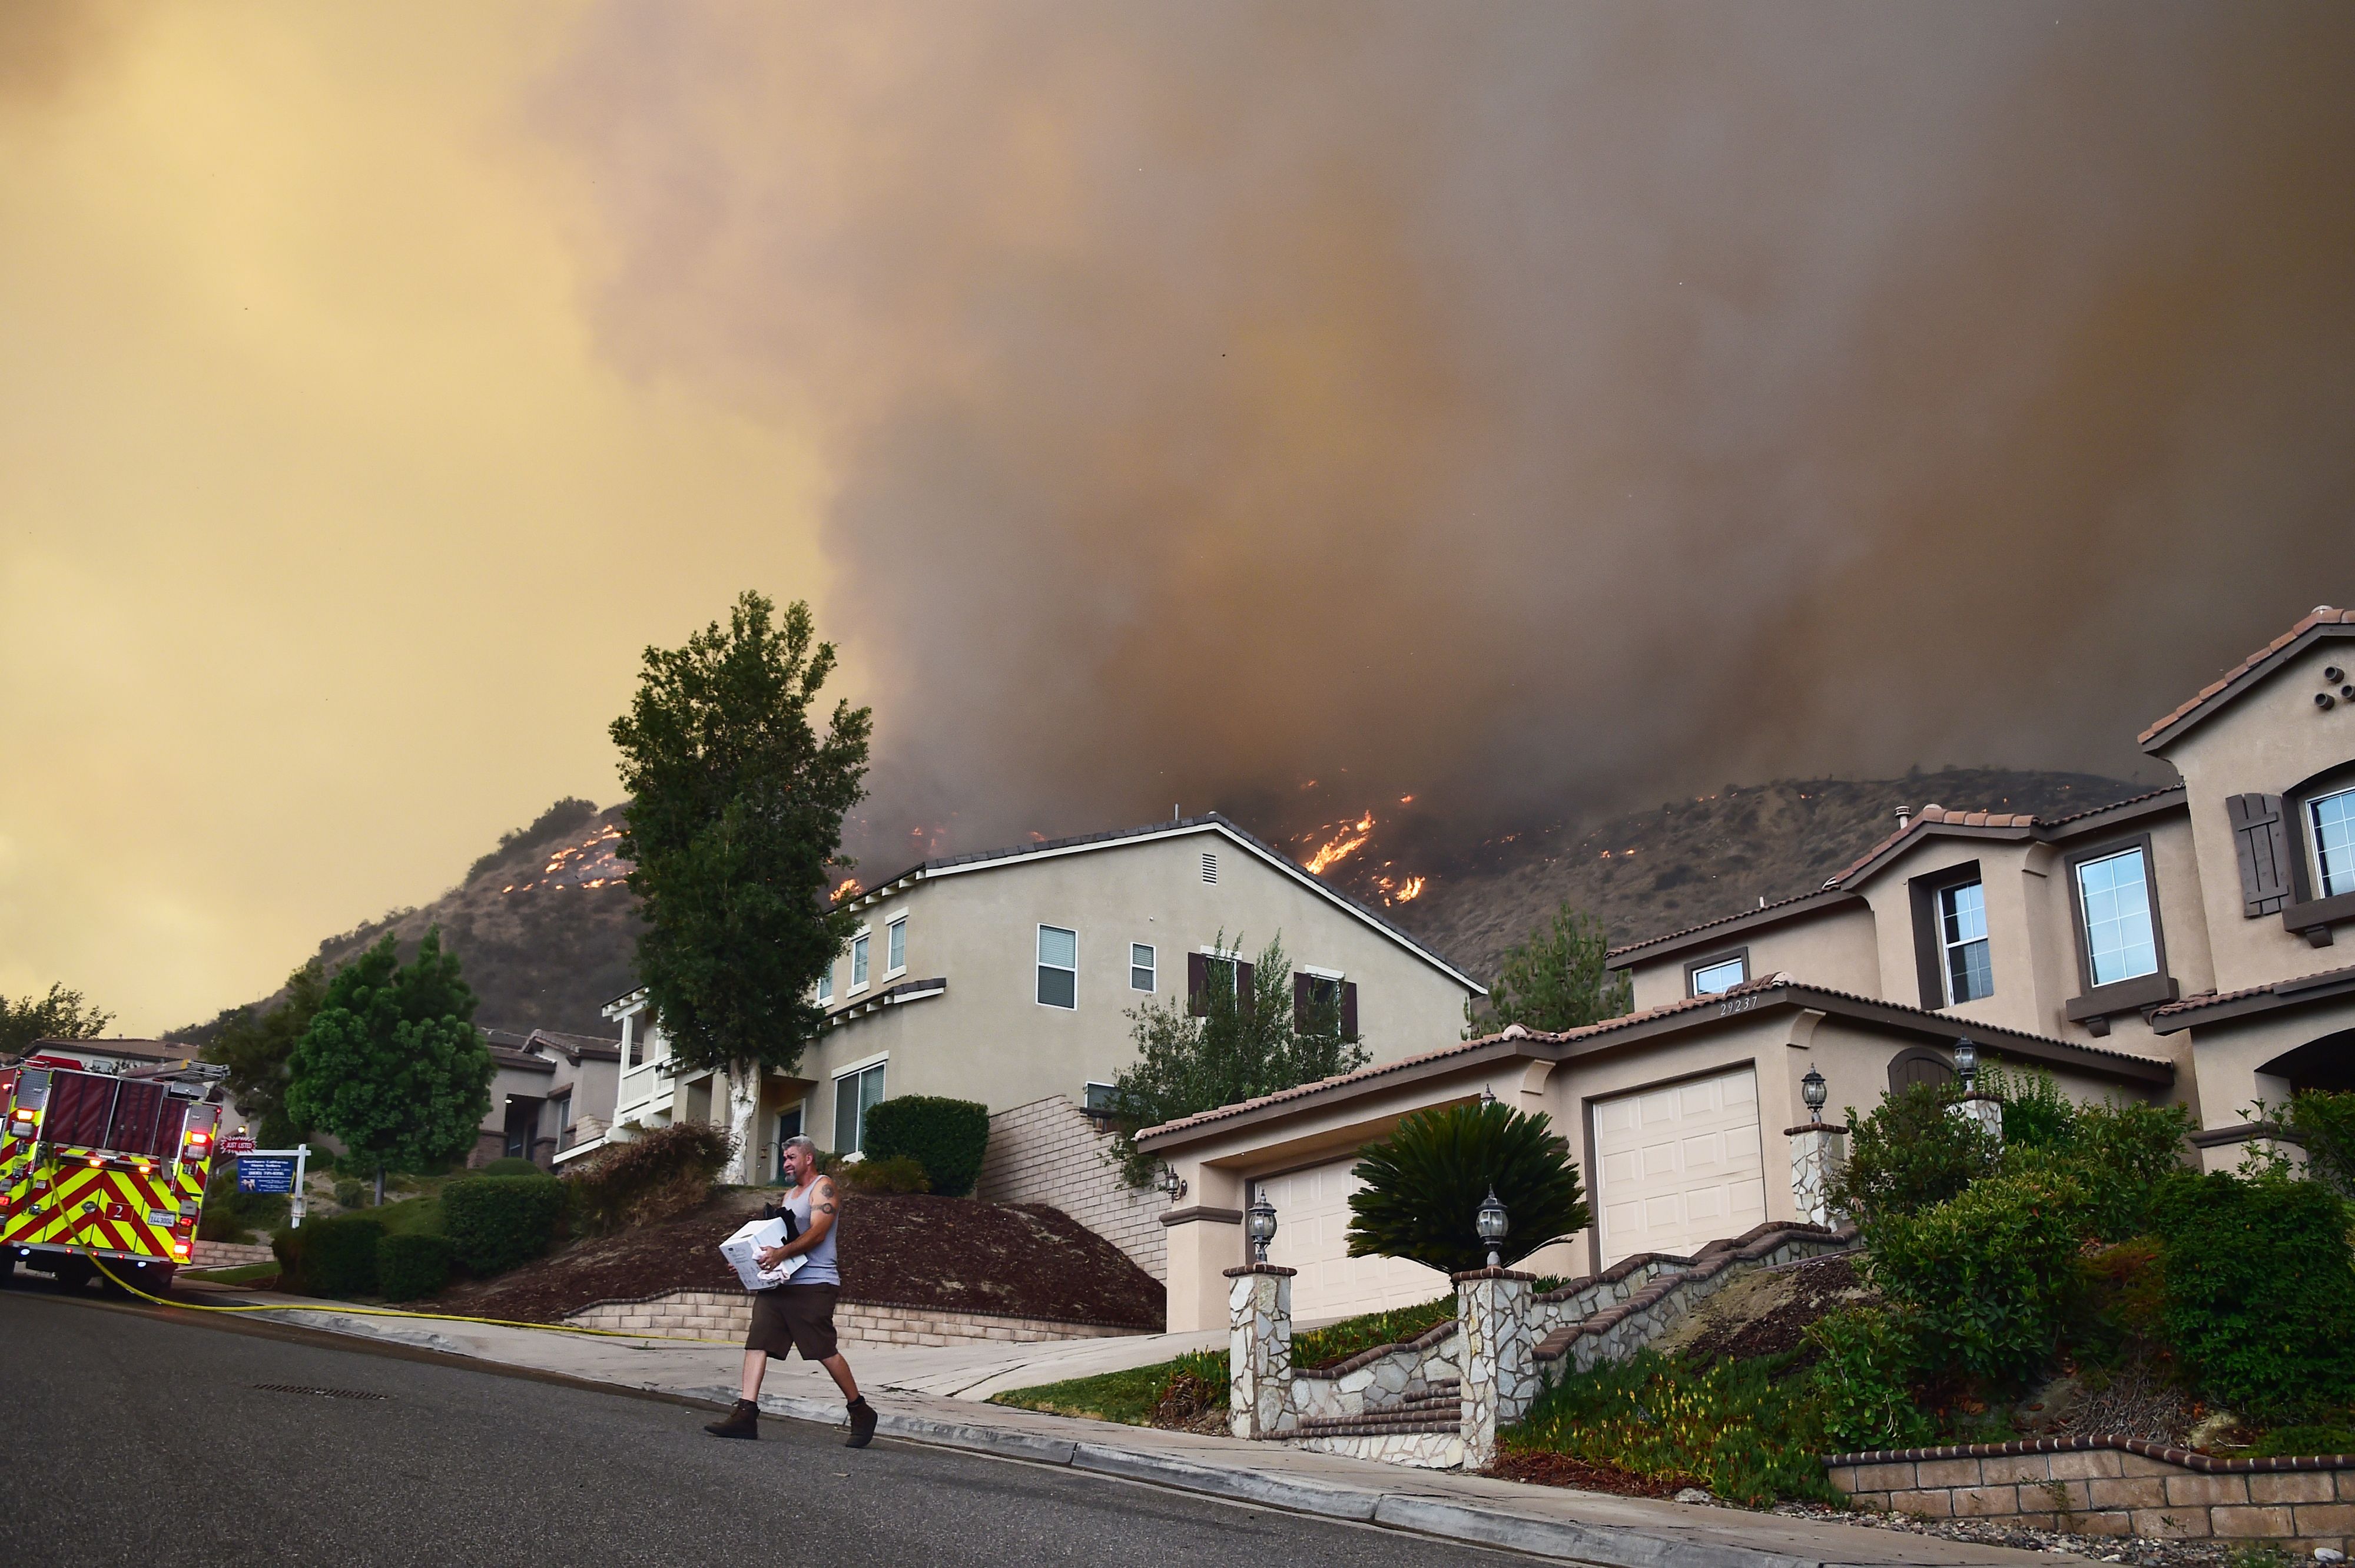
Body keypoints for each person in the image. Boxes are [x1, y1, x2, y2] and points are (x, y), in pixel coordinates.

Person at [704, 1135, 878, 1447]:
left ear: (808, 1158)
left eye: (792, 1157)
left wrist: (780, 1254)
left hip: (815, 1284)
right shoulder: (789, 1195)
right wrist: (748, 1261)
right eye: (784, 1158)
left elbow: (818, 1233)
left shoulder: (823, 1188)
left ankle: (860, 1410)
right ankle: (746, 1414)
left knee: (823, 1350)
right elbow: (779, 1240)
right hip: (781, 1283)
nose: (786, 1163)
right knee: (758, 1341)